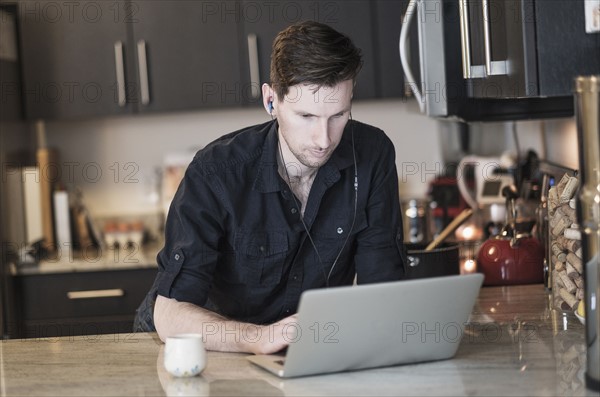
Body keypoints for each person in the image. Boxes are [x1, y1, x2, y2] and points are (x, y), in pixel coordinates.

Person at [134, 20, 407, 354]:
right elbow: (170, 314)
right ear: (270, 100)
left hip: (306, 354)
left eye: (338, 115)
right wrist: (259, 338)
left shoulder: (372, 154)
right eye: (306, 116)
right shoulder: (216, 172)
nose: (323, 140)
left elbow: (383, 292)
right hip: (208, 349)